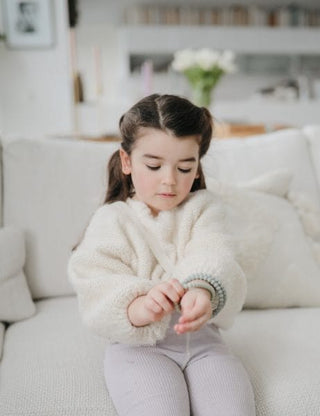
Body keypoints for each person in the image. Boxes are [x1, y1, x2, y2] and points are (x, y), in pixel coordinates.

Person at [68, 94, 255, 416]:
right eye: (153, 165)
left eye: (185, 167)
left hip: (205, 345)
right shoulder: (113, 220)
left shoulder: (204, 208)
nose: (170, 179)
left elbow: (215, 250)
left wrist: (201, 288)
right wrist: (140, 306)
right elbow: (96, 279)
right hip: (137, 349)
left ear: (197, 167)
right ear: (126, 162)